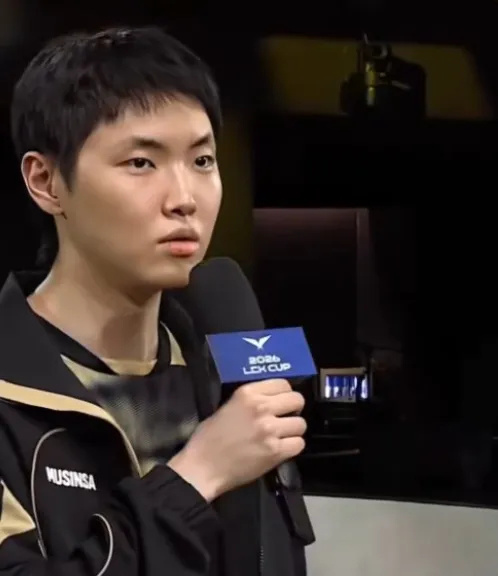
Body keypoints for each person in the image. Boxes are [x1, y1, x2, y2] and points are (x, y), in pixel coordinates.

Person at [0, 27, 309, 576]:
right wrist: (195, 477)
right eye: (142, 163)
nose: (184, 199)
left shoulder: (222, 371)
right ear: (46, 182)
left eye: (203, 161)